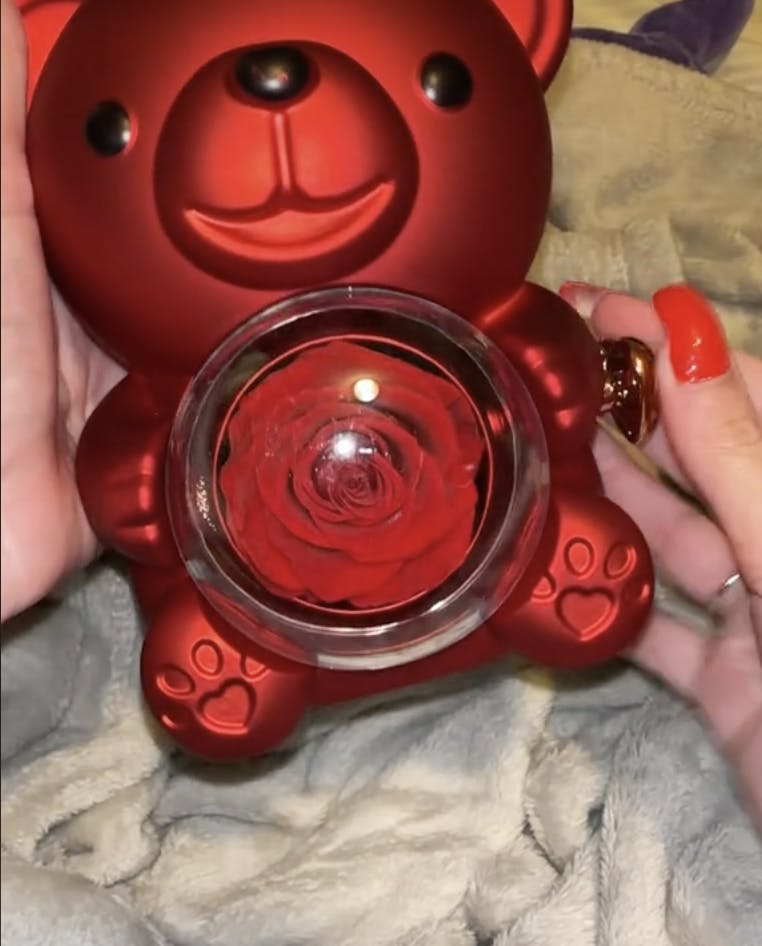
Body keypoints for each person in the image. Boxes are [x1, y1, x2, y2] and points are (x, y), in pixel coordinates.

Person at [1, 0, 760, 831]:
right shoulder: (160, 389)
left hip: (511, 540)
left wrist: (557, 364)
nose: (277, 96)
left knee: (537, 481)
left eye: (439, 81)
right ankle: (243, 659)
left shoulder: (492, 319)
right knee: (201, 574)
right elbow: (121, 469)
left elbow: (558, 362)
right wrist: (131, 484)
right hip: (252, 605)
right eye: (113, 130)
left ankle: (547, 567)